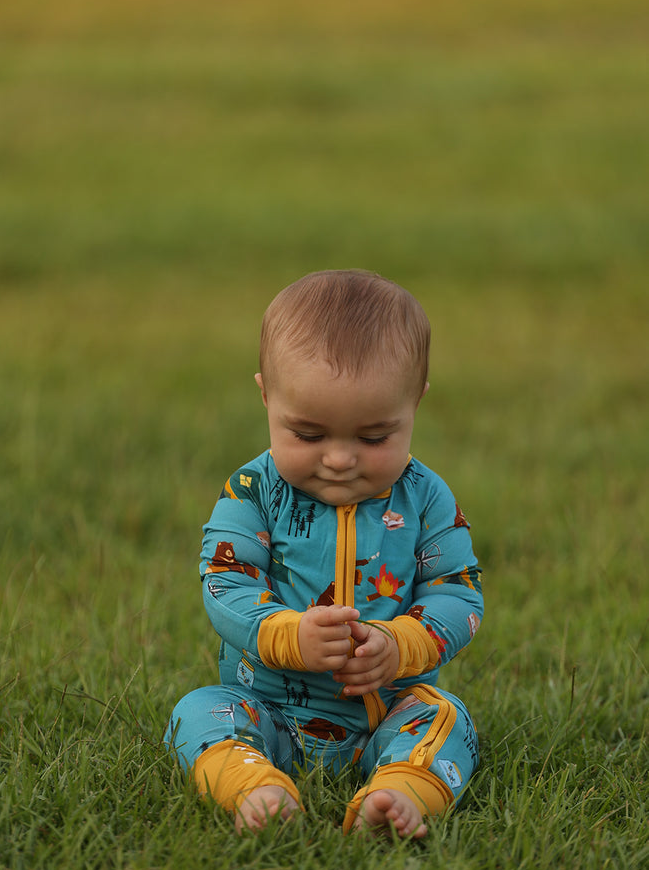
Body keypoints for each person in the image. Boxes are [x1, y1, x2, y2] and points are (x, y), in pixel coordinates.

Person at [166, 269, 483, 838]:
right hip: (268, 707)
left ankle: (396, 792)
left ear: (416, 404)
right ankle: (255, 787)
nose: (339, 459)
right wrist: (290, 634)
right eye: (309, 435)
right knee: (197, 711)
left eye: (373, 438)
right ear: (266, 395)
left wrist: (397, 643)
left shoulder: (426, 497)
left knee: (445, 718)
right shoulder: (253, 491)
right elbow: (224, 583)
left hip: (388, 708)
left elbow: (457, 593)